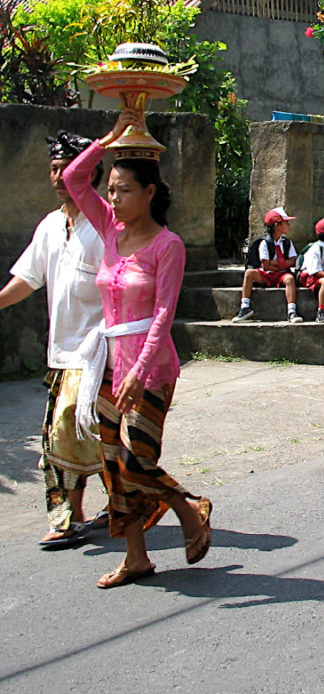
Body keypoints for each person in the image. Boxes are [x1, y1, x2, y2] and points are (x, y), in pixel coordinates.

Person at [63, 109, 212, 588]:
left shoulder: (168, 246)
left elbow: (164, 316)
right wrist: (110, 139)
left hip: (152, 368)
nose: (114, 197)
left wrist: (138, 370)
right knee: (112, 463)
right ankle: (136, 556)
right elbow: (73, 177)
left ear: (150, 193)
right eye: (111, 189)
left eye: (124, 189)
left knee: (137, 460)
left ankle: (188, 506)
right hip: (107, 361)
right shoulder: (109, 229)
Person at [0, 130, 107, 548]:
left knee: (72, 433)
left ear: (89, 173)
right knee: (78, 436)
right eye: (54, 167)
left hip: (100, 353)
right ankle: (89, 510)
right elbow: (26, 279)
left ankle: (79, 515)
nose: (60, 175)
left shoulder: (104, 227)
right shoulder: (49, 226)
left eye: (68, 167)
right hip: (61, 353)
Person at [232, 207, 303, 324]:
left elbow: (293, 261)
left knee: (289, 279)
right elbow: (265, 265)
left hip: (281, 274)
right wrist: (282, 264)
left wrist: (276, 263)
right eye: (286, 222)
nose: (289, 225)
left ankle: (292, 311)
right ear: (277, 225)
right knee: (249, 274)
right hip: (267, 274)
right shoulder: (264, 243)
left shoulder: (287, 243)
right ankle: (245, 307)